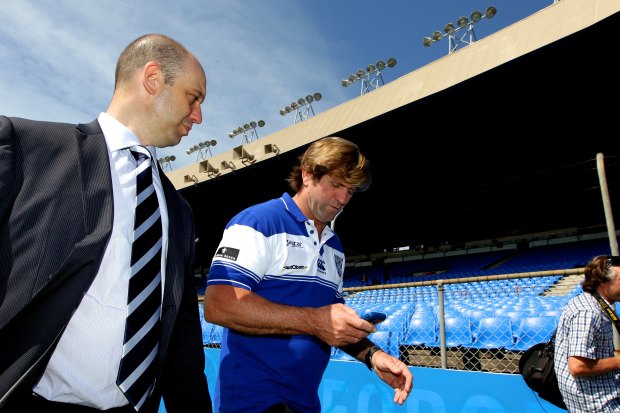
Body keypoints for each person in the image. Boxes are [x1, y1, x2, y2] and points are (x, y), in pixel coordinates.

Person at [0, 34, 212, 413]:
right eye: (193, 98)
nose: (198, 115)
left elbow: (181, 334)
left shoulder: (179, 211)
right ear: (152, 79)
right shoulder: (24, 148)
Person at [204, 137, 413, 413]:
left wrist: (373, 356)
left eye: (350, 191)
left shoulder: (335, 246)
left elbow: (331, 326)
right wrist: (316, 321)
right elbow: (219, 304)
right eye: (336, 185)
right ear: (307, 175)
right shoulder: (257, 222)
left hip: (304, 401)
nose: (343, 199)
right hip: (251, 400)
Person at [554, 255, 620, 412]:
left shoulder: (591, 302)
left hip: (599, 392)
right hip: (597, 402)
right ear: (603, 281)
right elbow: (578, 366)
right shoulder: (588, 311)